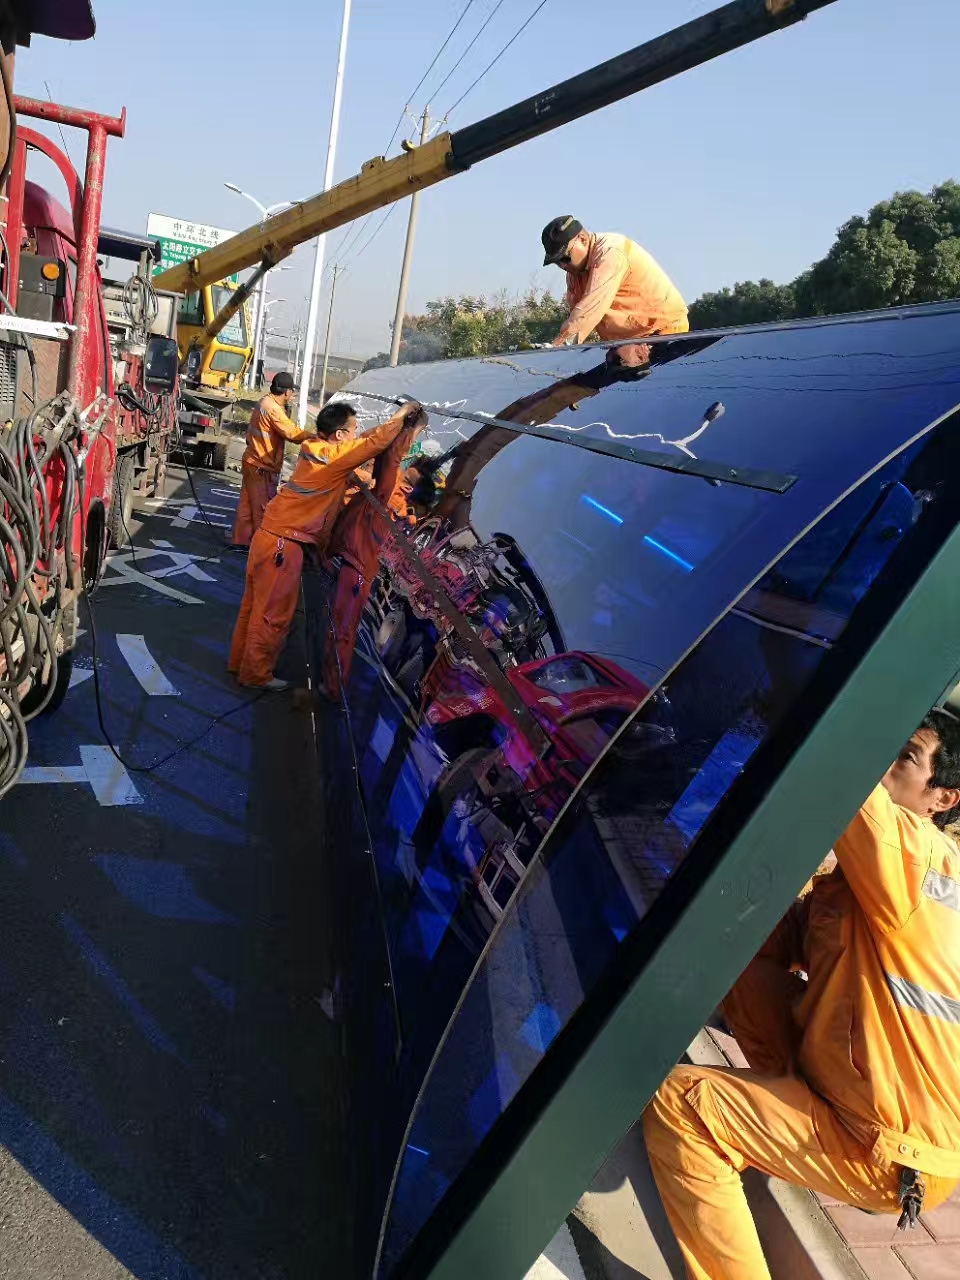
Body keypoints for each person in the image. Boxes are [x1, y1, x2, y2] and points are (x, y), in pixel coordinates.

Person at [644, 709, 960, 1280]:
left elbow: (843, 765)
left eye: (905, 756)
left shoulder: (917, 856)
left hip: (889, 1148)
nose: (885, 761)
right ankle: (777, 1101)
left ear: (942, 799)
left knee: (684, 1106)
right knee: (745, 956)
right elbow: (778, 936)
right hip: (857, 1101)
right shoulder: (874, 875)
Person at [228, 399, 427, 690]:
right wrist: (403, 414)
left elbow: (364, 443)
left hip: (271, 536)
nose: (356, 435)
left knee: (254, 606)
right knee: (273, 614)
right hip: (284, 543)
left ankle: (240, 663)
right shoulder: (333, 457)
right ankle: (255, 674)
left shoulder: (318, 450)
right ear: (339, 435)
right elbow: (370, 444)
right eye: (352, 430)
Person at [322, 434, 423, 698]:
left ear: (407, 487)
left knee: (343, 628)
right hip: (354, 565)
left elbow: (391, 462)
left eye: (403, 476)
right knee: (338, 624)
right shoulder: (392, 500)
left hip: (358, 568)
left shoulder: (390, 496)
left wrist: (407, 430)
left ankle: (333, 686)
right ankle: (329, 678)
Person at [541, 216, 688, 347]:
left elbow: (590, 308)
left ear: (583, 239)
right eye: (557, 262)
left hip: (662, 332)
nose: (563, 266)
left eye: (565, 258)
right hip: (628, 342)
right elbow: (575, 317)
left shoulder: (610, 253)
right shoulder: (574, 272)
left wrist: (559, 347)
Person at [230, 371, 309, 549]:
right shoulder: (273, 408)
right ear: (287, 392)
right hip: (262, 466)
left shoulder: (265, 402)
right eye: (292, 392)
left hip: (252, 460)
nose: (292, 395)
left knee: (247, 505)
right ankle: (261, 548)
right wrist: (317, 437)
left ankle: (241, 541)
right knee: (262, 509)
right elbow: (292, 433)